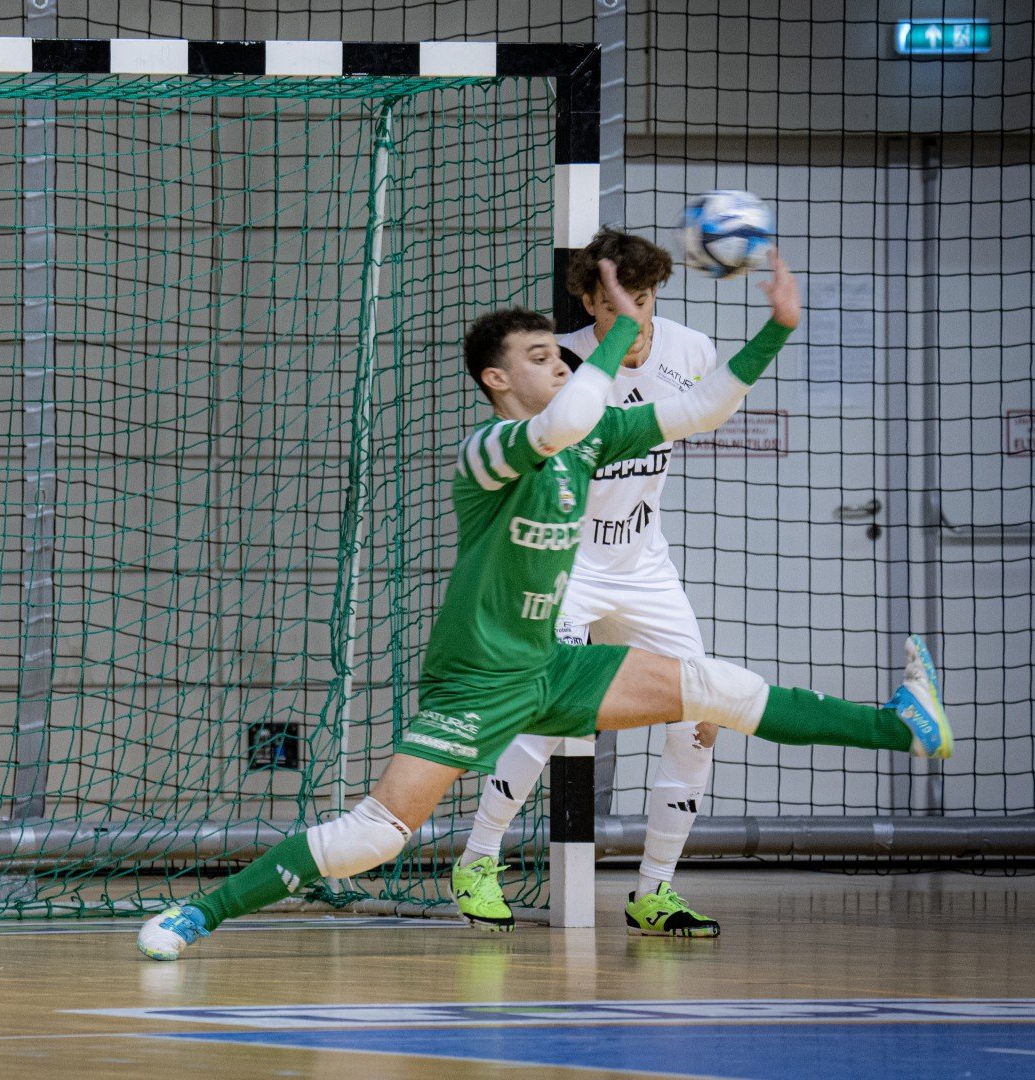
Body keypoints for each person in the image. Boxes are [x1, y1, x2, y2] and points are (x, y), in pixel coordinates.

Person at [136, 252, 951, 962]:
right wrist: (625, 332)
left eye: (560, 356)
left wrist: (778, 327)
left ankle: (902, 724)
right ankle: (197, 913)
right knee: (375, 837)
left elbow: (703, 410)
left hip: (553, 665)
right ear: (498, 379)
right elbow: (564, 420)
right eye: (539, 356)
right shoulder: (488, 451)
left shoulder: (591, 437)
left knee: (717, 690)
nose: (559, 365)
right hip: (480, 679)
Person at [454, 228, 725, 936]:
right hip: (566, 570)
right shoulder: (559, 368)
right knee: (546, 716)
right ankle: (478, 858)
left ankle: (655, 892)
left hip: (644, 567)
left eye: (646, 300)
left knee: (701, 717)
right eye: (617, 305)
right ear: (586, 302)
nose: (635, 318)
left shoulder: (690, 351)